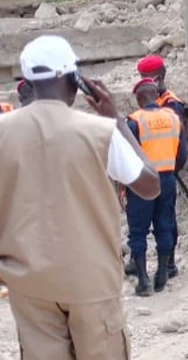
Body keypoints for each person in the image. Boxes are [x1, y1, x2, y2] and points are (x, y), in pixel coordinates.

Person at [1, 35, 160, 359]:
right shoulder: (97, 131)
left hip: (28, 281)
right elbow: (150, 185)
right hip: (91, 279)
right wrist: (116, 120)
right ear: (72, 77)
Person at [125, 77, 188, 296]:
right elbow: (182, 155)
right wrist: (169, 169)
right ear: (155, 95)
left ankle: (143, 280)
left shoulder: (134, 121)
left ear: (139, 98)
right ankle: (162, 273)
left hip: (141, 182)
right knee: (165, 225)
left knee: (138, 231)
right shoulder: (173, 118)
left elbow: (126, 158)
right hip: (167, 179)